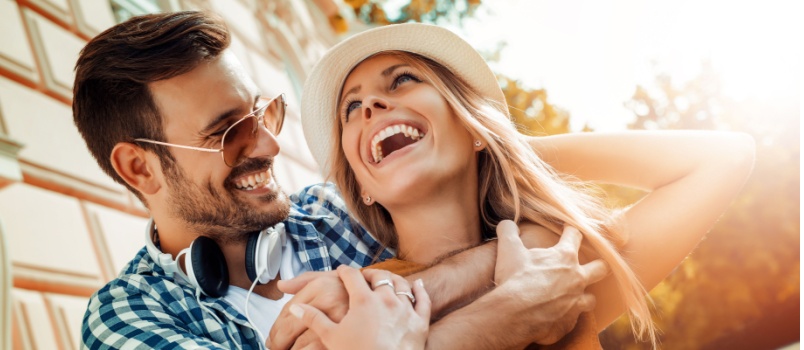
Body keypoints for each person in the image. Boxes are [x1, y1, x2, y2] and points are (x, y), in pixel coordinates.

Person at [74, 11, 607, 349]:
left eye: (262, 115)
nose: (267, 145)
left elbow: (524, 213)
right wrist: (497, 320)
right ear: (139, 168)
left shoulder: (335, 211)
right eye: (228, 132)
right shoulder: (125, 315)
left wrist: (405, 293)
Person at [281, 23, 756, 349]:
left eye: (402, 80)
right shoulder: (345, 309)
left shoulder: (560, 273)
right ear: (362, 188)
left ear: (472, 127)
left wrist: (505, 147)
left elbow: (724, 158)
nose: (371, 106)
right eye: (352, 107)